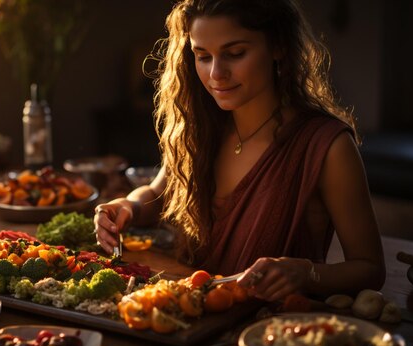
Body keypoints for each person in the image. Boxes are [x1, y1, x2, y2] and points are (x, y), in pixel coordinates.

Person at [94, 0, 385, 302]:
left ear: (279, 46)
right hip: (188, 318)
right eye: (203, 56)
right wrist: (128, 206)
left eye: (235, 54)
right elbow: (156, 195)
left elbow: (370, 270)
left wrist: (305, 272)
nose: (216, 73)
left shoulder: (327, 146)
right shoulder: (201, 128)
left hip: (269, 333)